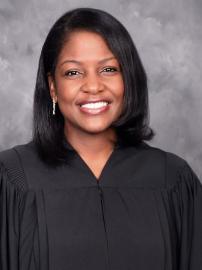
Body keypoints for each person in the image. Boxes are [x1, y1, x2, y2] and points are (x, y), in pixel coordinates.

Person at [0, 7, 201, 270]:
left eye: (108, 69)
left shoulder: (172, 180)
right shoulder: (13, 179)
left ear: (127, 78)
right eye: (73, 72)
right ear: (53, 87)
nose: (93, 86)